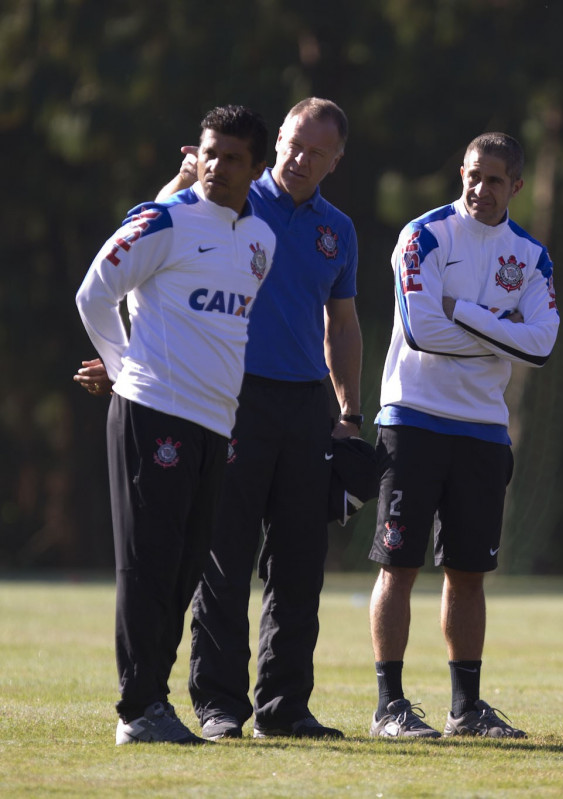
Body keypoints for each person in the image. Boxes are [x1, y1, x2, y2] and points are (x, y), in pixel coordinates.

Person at [152, 98, 362, 740]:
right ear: (278, 142)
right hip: (231, 394)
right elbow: (159, 226)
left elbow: (343, 323)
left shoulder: (339, 230)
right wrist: (184, 180)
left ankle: (285, 706)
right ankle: (219, 705)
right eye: (293, 144)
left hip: (305, 405)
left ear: (335, 160)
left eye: (315, 152)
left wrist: (349, 412)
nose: (299, 160)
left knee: (300, 560)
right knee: (225, 554)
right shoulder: (236, 197)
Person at [74, 105, 275, 745]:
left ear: (258, 168)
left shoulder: (260, 242)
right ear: (197, 152)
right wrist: (122, 364)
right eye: (210, 152)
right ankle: (137, 711)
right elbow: (94, 292)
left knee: (187, 567)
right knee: (149, 564)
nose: (217, 166)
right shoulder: (163, 218)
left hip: (215, 424)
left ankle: (155, 703)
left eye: (233, 157)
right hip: (151, 410)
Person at [368, 132, 559, 739]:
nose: (481, 188)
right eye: (473, 175)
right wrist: (502, 330)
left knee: (469, 572)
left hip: (482, 429)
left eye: (495, 179)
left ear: (517, 187)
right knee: (399, 564)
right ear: (461, 172)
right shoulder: (423, 236)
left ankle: (465, 709)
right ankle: (389, 706)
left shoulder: (532, 256)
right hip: (413, 417)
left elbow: (543, 344)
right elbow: (421, 329)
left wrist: (466, 311)